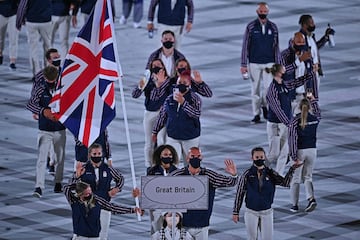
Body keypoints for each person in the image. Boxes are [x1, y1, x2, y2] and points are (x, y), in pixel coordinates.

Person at [232, 147, 302, 240]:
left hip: (267, 212)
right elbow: (239, 193)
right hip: (251, 212)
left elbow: (285, 183)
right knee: (252, 238)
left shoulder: (271, 173)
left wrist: (292, 169)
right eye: (257, 157)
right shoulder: (246, 174)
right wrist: (235, 212)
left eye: (261, 157)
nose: (259, 159)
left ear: (265, 157)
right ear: (252, 158)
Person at [170, 147, 238, 240]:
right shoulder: (177, 175)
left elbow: (230, 182)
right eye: (193, 156)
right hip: (183, 225)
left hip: (202, 225)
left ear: (201, 158)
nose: (196, 158)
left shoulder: (209, 176)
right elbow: (163, 190)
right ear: (187, 158)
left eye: (198, 156)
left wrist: (234, 175)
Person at [265, 63, 314, 176]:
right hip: (275, 125)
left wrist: (308, 75)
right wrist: (288, 123)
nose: (285, 69)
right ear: (278, 72)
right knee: (274, 153)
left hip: (286, 124)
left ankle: (279, 175)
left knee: (284, 152)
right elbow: (277, 109)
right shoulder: (272, 90)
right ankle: (258, 169)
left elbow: (296, 82)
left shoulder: (284, 84)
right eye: (283, 68)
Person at [26, 65, 66, 198]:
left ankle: (58, 182)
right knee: (41, 159)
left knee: (60, 158)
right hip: (44, 129)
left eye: (53, 80)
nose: (51, 83)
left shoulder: (62, 87)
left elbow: (69, 103)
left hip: (60, 128)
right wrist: (43, 111)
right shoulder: (40, 88)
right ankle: (39, 187)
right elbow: (30, 104)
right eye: (49, 81)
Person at [240, 2, 281, 124]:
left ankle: (265, 106)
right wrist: (243, 64)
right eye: (261, 11)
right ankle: (256, 114)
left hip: (270, 63)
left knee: (268, 89)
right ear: (257, 12)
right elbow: (245, 45)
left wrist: (278, 65)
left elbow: (276, 47)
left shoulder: (273, 27)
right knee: (255, 90)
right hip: (254, 63)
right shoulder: (251, 27)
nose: (263, 14)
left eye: (264, 12)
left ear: (267, 12)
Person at [74, 143, 123, 239]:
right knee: (82, 234)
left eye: (99, 153)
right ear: (89, 155)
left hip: (104, 204)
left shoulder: (108, 169)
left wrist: (117, 189)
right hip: (87, 207)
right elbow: (73, 185)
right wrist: (77, 175)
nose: (97, 156)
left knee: (103, 234)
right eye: (94, 154)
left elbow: (120, 178)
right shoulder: (84, 168)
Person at [152, 70, 202, 164]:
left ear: (189, 84)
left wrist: (184, 103)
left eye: (184, 83)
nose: (181, 84)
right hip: (173, 136)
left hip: (190, 137)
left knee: (190, 163)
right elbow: (162, 116)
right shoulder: (170, 98)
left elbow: (196, 114)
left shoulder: (195, 98)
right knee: (173, 162)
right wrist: (155, 131)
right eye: (179, 82)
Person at [64, 180, 142, 239]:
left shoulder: (96, 200)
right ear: (80, 194)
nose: (90, 195)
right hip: (79, 236)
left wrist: (132, 210)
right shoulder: (74, 201)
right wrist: (77, 185)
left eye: (90, 192)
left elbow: (112, 207)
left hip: (94, 236)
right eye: (87, 193)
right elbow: (66, 188)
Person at [133, 58, 172, 167]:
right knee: (149, 142)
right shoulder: (147, 80)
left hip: (163, 114)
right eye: (154, 65)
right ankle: (149, 165)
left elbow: (164, 96)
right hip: (150, 112)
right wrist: (140, 87)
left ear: (163, 67)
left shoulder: (168, 80)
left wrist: (160, 85)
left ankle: (162, 164)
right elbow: (135, 95)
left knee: (161, 139)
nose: (156, 67)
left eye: (159, 65)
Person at [288, 94, 321, 213]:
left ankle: (294, 205)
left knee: (295, 179)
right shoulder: (314, 119)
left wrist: (293, 156)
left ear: (299, 107)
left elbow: (292, 139)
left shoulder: (294, 121)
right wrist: (313, 100)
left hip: (300, 151)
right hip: (312, 150)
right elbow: (319, 113)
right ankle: (311, 198)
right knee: (308, 177)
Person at [298, 14, 335, 100]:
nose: (313, 24)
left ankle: (310, 110)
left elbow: (315, 48)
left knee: (312, 96)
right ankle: (306, 112)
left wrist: (326, 37)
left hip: (314, 72)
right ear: (304, 25)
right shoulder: (300, 38)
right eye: (311, 23)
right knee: (309, 96)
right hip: (308, 73)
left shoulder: (311, 36)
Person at [147, 144, 179, 235]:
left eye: (170, 155)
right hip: (156, 205)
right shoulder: (152, 171)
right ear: (160, 156)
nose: (168, 156)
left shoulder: (177, 171)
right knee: (156, 228)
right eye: (165, 154)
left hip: (171, 205)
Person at [16, 0, 52, 76]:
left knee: (33, 49)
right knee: (47, 47)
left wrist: (19, 22)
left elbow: (22, 6)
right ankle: (47, 71)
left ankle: (36, 73)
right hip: (46, 20)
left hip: (32, 21)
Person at [281, 32, 312, 115]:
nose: (300, 48)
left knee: (303, 123)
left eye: (302, 45)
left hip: (303, 96)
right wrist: (299, 61)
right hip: (290, 96)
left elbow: (309, 77)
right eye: (299, 45)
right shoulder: (285, 55)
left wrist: (309, 94)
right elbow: (284, 71)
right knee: (288, 123)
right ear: (293, 42)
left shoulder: (306, 56)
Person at [0, 0, 19, 70]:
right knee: (1, 37)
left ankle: (12, 61)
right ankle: (0, 53)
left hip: (14, 13)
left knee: (14, 37)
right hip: (1, 12)